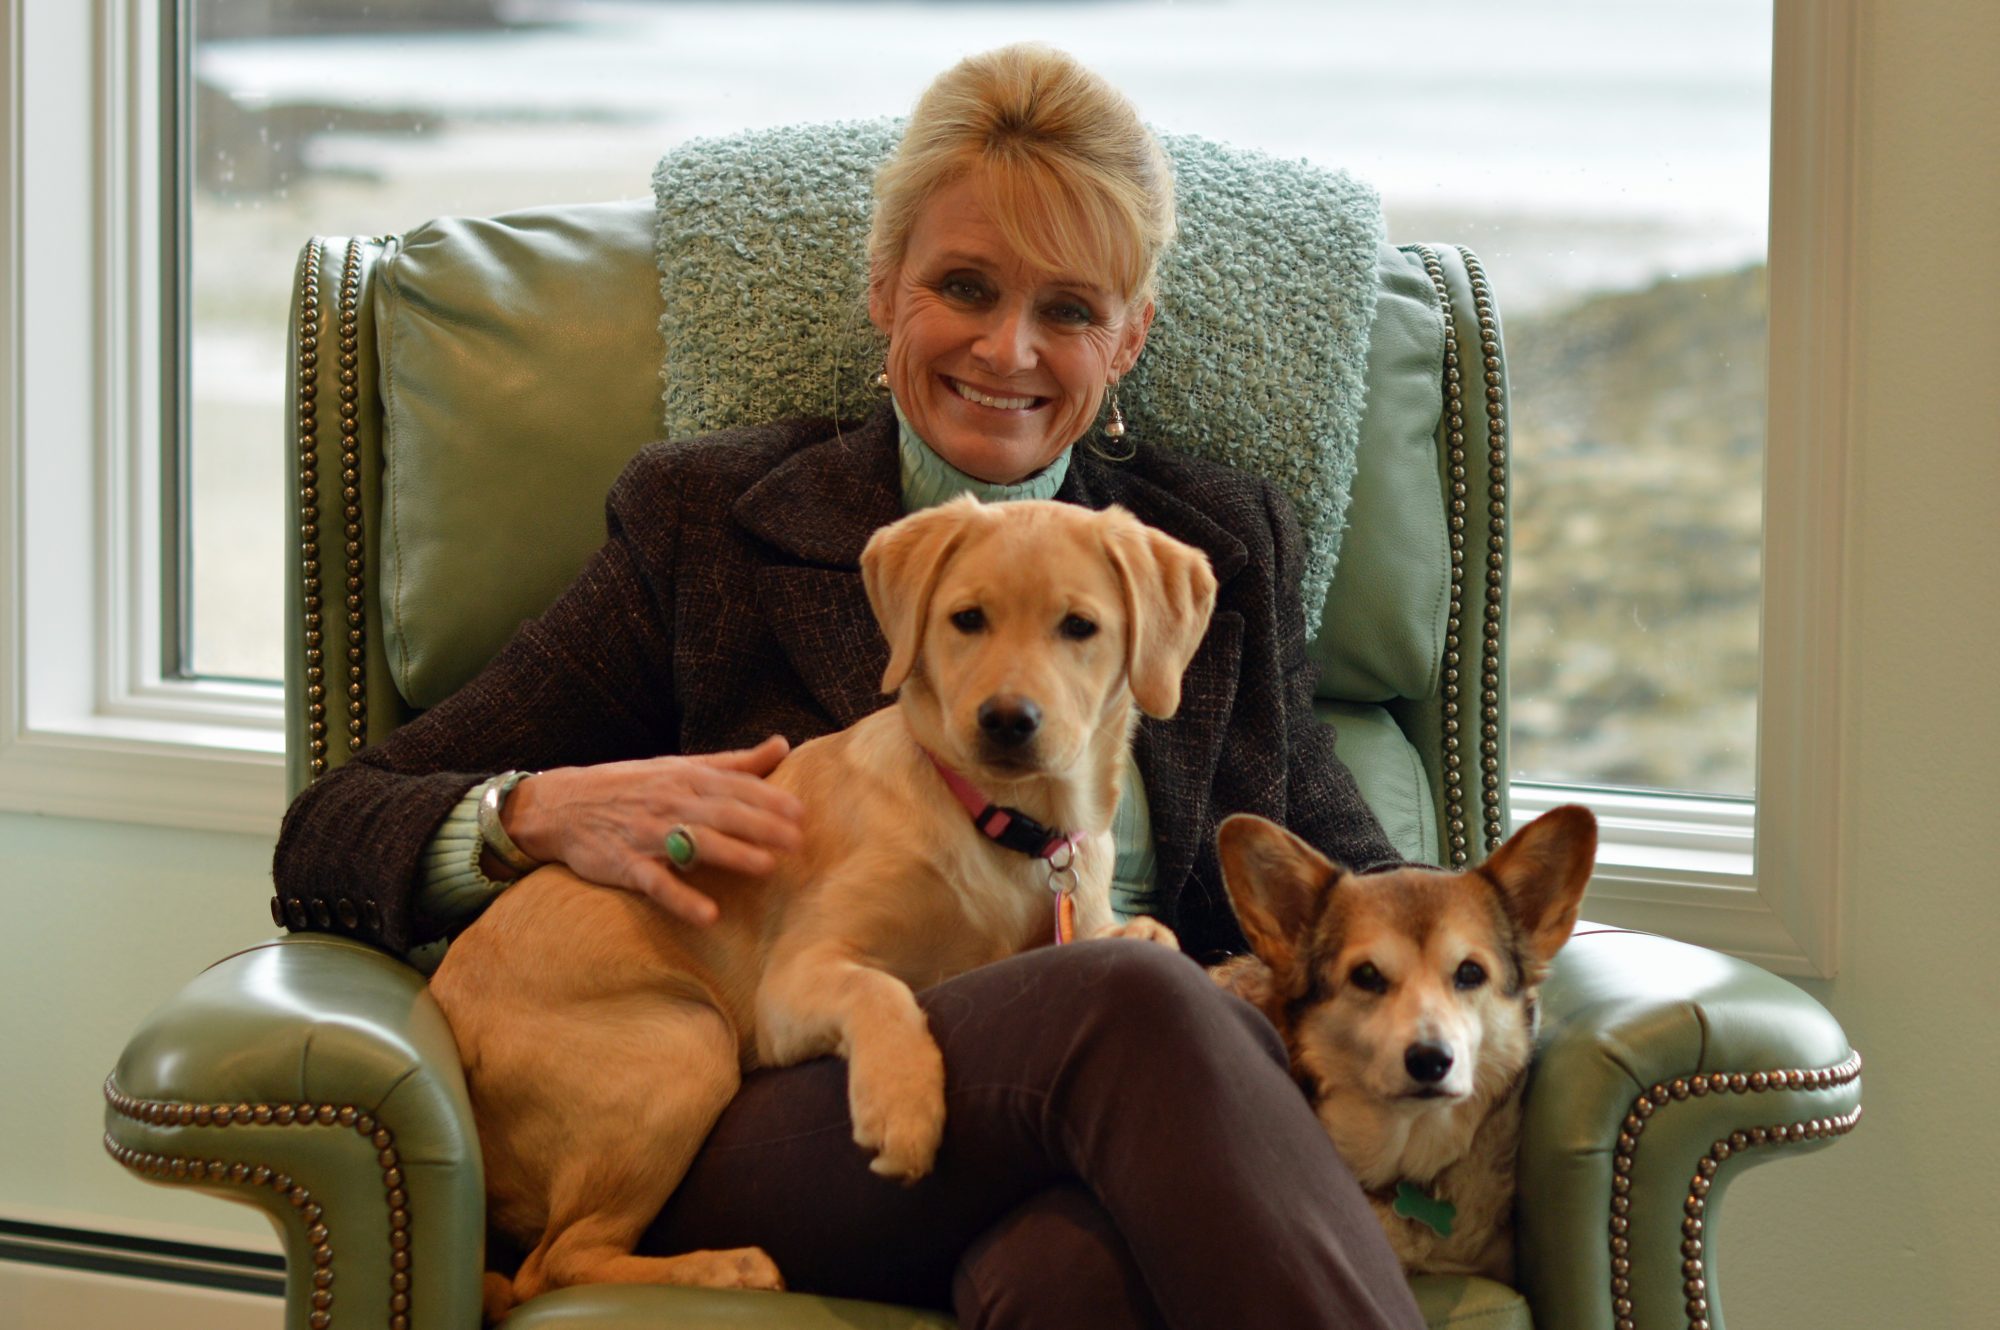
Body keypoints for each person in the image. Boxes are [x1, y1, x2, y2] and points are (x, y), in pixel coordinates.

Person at [275, 43, 1426, 1330]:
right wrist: (531, 813)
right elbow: (329, 828)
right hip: (799, 1118)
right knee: (1133, 987)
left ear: (1129, 335)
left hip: (1116, 1142)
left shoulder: (1208, 547)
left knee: (1071, 1281)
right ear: (883, 292)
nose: (1008, 348)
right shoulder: (706, 519)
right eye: (964, 287)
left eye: (1068, 308)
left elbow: (1356, 884)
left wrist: (1517, 948)